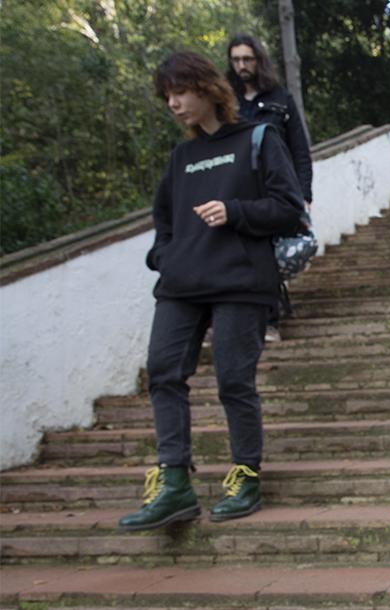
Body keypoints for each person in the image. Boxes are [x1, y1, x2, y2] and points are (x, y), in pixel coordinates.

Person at [118, 51, 304, 532]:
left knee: (233, 380)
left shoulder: (257, 139)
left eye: (180, 93)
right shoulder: (181, 157)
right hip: (182, 284)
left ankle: (245, 476)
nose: (173, 104)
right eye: (167, 97)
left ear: (206, 89)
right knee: (163, 372)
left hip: (241, 282)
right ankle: (175, 482)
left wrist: (235, 212)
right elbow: (163, 222)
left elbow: (288, 207)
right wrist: (167, 256)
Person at [226, 33, 313, 343]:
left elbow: (300, 151)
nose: (241, 65)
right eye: (236, 59)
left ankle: (270, 320)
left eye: (247, 59)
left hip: (275, 191)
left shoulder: (280, 99)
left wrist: (304, 195)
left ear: (258, 60)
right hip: (237, 191)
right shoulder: (225, 100)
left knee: (267, 255)